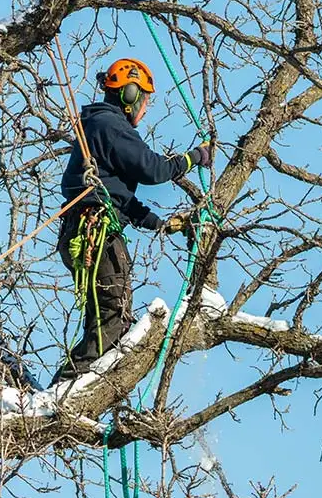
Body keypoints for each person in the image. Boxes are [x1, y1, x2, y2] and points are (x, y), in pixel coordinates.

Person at [53, 57, 212, 384]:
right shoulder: (111, 127)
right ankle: (59, 396)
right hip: (96, 233)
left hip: (91, 227)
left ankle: (74, 389)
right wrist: (196, 157)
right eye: (146, 99)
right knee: (112, 323)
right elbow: (153, 170)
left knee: (108, 322)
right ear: (129, 95)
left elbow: (121, 199)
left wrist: (162, 224)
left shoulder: (102, 126)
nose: (147, 107)